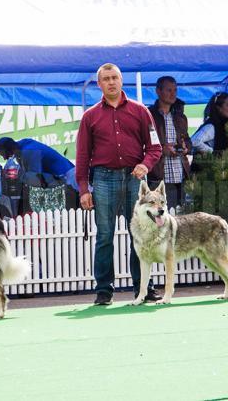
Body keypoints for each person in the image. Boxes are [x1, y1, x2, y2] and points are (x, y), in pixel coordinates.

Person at [76, 63, 162, 306]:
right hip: (102, 179)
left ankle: (144, 289)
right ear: (99, 84)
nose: (111, 82)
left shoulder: (141, 111)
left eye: (115, 77)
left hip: (135, 178)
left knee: (141, 235)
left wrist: (145, 165)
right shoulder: (89, 116)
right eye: (106, 79)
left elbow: (154, 147)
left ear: (121, 80)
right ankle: (104, 291)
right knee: (104, 236)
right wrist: (84, 190)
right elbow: (82, 157)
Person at [146, 76, 192, 209]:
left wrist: (186, 147)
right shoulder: (148, 115)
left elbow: (188, 140)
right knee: (159, 220)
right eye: (169, 90)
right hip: (158, 177)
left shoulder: (180, 117)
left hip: (180, 176)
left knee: (179, 219)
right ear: (158, 91)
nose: (173, 94)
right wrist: (162, 149)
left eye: (175, 90)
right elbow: (142, 144)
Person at [0, 137, 78, 192]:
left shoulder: (28, 151)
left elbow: (36, 180)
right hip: (68, 174)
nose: (5, 158)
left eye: (5, 155)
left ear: (10, 149)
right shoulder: (23, 144)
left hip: (68, 177)